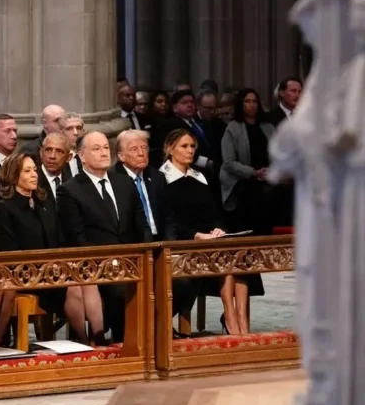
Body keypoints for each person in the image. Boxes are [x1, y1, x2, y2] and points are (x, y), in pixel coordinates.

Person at [57, 131, 151, 344]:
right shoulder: (70, 191)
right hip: (97, 265)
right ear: (81, 156)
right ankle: (124, 343)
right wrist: (110, 262)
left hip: (132, 261)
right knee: (120, 290)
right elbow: (77, 237)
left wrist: (144, 256)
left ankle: (150, 341)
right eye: (96, 149)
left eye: (106, 148)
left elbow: (142, 226)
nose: (103, 153)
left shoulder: (125, 183)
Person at [161, 128, 253, 335]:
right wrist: (196, 235)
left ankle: (241, 321)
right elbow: (169, 220)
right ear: (169, 148)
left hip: (211, 238)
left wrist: (219, 228)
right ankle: (229, 315)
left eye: (193, 146)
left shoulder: (201, 176)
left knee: (240, 258)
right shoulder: (161, 177)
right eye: (184, 146)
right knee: (226, 259)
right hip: (185, 244)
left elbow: (216, 211)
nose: (190, 151)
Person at [0, 153, 65, 341]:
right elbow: (9, 249)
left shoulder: (44, 203)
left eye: (35, 170)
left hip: (52, 271)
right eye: (27, 171)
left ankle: (85, 345)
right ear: (13, 176)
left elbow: (59, 239)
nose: (34, 174)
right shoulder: (6, 207)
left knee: (80, 286)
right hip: (24, 273)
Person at [220, 88, 276, 236]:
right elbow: (229, 162)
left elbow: (279, 153)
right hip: (244, 183)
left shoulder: (268, 127)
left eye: (254, 101)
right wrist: (253, 172)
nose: (251, 105)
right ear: (241, 105)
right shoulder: (232, 128)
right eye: (247, 101)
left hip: (268, 181)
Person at [113, 129, 166, 240]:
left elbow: (167, 216)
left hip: (160, 242)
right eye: (134, 149)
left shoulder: (157, 176)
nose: (141, 153)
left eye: (144, 148)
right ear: (121, 156)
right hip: (132, 244)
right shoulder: (113, 179)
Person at [37, 132, 72, 205]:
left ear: (68, 157)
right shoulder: (32, 181)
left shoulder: (73, 183)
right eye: (48, 150)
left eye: (59, 151)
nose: (52, 156)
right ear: (41, 153)